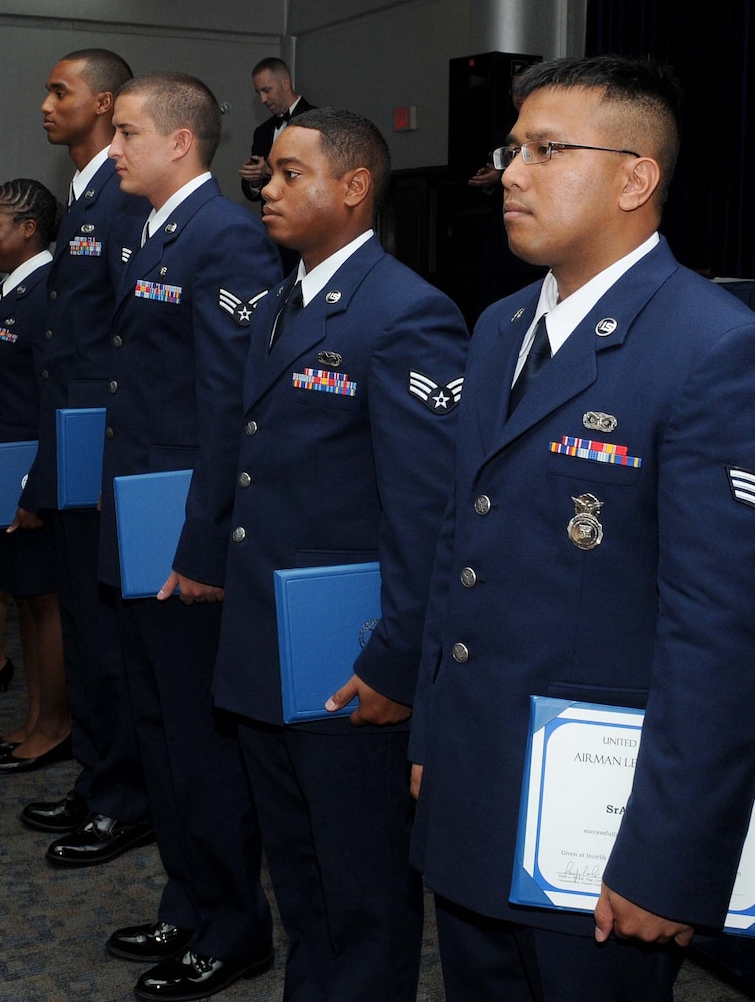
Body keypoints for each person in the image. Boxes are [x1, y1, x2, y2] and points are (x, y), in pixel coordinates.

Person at [409, 56, 755, 1001]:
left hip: (602, 825)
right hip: (477, 779)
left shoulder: (720, 349)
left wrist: (671, 853)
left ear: (637, 177)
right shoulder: (501, 324)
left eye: (547, 150)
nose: (510, 172)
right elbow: (458, 545)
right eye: (512, 149)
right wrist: (431, 733)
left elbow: (726, 635)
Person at [214, 108, 468, 1001]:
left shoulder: (407, 315)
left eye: (290, 174)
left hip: (351, 660)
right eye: (267, 175)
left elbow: (426, 513)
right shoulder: (287, 299)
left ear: (354, 187)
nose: (266, 190)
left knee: (362, 896)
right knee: (302, 881)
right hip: (271, 646)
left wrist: (397, 663)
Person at [98, 72, 282, 1001]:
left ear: (180, 142)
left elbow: (228, 413)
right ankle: (188, 900)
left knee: (200, 743)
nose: (113, 147)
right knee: (158, 724)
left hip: (183, 537)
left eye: (127, 132)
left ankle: (234, 924)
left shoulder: (228, 238)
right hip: (141, 520)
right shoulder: (157, 229)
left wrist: (203, 549)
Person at [17, 48, 159, 871]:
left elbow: (125, 344)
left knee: (106, 636)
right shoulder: (85, 194)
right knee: (81, 617)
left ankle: (123, 798)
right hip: (73, 436)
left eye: (59, 89)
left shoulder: (125, 195)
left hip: (104, 445)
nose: (45, 103)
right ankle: (98, 774)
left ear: (104, 104)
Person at [0, 179, 74, 776]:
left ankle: (56, 725)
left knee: (44, 602)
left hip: (30, 474)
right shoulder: (10, 289)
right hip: (2, 468)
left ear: (29, 229)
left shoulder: (45, 292)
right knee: (26, 604)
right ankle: (37, 717)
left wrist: (38, 484)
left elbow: (50, 397)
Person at [239, 58, 316, 204]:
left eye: (267, 90)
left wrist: (269, 170)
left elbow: (316, 173)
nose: (263, 99)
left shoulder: (316, 121)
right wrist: (255, 179)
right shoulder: (261, 132)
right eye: (259, 93)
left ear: (286, 84)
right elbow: (253, 195)